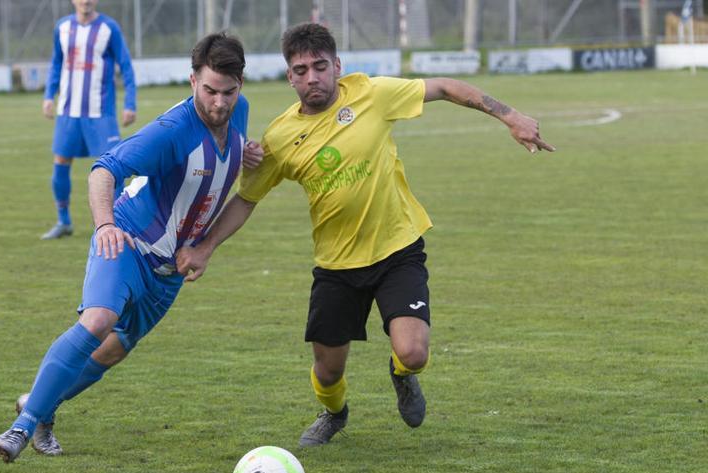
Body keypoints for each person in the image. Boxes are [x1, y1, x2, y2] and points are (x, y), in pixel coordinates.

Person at [175, 23, 555, 447]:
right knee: (328, 371)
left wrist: (511, 116)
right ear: (289, 77)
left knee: (413, 351)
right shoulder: (280, 138)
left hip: (398, 250)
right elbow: (247, 199)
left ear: (337, 66)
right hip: (336, 266)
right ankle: (334, 413)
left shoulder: (372, 94)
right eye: (300, 70)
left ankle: (402, 374)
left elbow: (446, 87)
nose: (312, 77)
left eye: (320, 66)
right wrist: (206, 247)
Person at [0, 32, 263, 462]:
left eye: (228, 93)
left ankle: (39, 406)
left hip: (170, 270)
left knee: (114, 348)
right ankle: (19, 430)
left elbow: (223, 171)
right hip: (128, 241)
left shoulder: (239, 112)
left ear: (240, 86)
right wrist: (103, 226)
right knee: (99, 320)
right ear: (193, 81)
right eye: (209, 91)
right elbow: (104, 170)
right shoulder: (172, 130)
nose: (219, 103)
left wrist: (244, 153)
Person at [40, 0, 138, 240]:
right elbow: (56, 64)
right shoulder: (62, 27)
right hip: (68, 111)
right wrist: (48, 96)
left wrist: (130, 103)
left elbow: (125, 65)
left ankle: (120, 222)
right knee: (60, 162)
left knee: (113, 167)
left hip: (100, 112)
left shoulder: (109, 28)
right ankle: (64, 221)